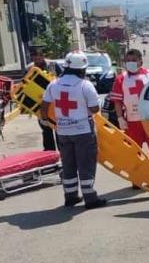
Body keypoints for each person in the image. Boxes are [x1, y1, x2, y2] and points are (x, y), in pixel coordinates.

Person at [40, 51, 106, 209]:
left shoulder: (54, 84)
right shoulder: (85, 85)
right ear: (82, 69)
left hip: (63, 131)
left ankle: (70, 196)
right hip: (83, 131)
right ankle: (90, 198)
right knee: (86, 164)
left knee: (68, 164)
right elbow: (95, 108)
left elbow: (44, 105)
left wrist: (45, 120)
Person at [109, 49, 149, 172]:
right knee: (133, 151)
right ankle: (137, 177)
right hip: (132, 120)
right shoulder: (121, 79)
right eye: (128, 61)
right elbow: (117, 101)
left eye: (134, 60)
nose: (130, 63)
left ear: (141, 61)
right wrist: (120, 118)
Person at [29, 48, 58, 151]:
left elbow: (63, 77)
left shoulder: (53, 65)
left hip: (56, 101)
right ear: (32, 57)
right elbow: (24, 85)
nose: (38, 58)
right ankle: (50, 154)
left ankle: (63, 152)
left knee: (58, 128)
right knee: (46, 129)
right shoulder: (30, 68)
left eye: (40, 56)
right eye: (35, 56)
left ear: (43, 56)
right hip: (40, 102)